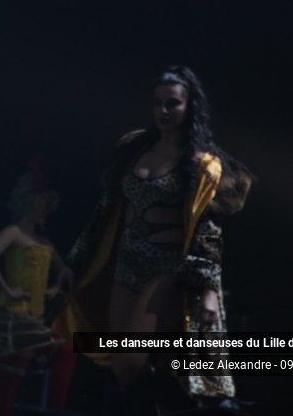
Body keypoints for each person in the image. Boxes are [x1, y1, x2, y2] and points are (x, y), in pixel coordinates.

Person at [52, 65, 255, 415]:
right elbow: (104, 211)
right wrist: (76, 260)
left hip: (167, 269)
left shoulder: (202, 164)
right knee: (122, 369)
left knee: (130, 360)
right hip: (126, 264)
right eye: (158, 103)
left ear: (190, 105)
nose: (164, 110)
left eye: (173, 103)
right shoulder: (133, 148)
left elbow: (207, 230)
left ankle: (196, 403)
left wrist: (208, 290)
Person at [0, 159, 77, 415]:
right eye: (40, 205)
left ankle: (55, 411)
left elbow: (65, 271)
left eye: (46, 206)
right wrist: (8, 289)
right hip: (14, 315)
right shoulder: (13, 232)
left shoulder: (44, 241)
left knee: (65, 351)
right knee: (12, 373)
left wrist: (55, 290)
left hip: (35, 318)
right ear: (28, 204)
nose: (44, 211)